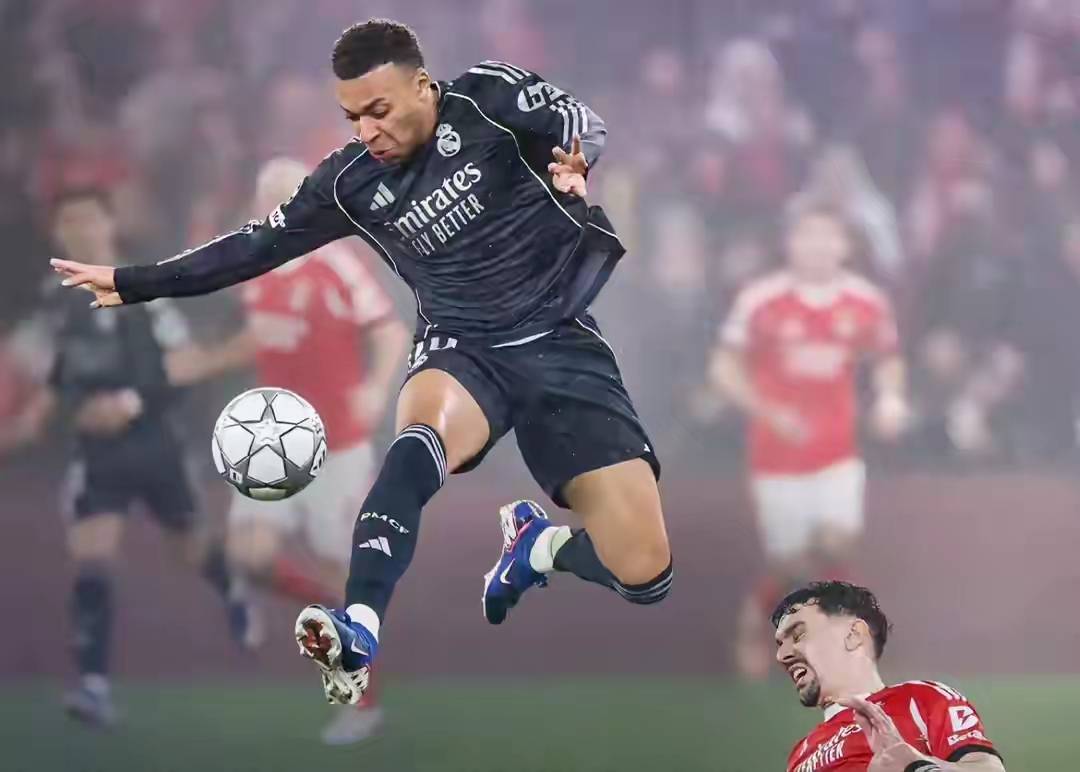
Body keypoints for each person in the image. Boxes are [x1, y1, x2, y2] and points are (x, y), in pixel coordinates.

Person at [52, 18, 671, 706]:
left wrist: (576, 163)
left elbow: (577, 121)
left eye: (378, 110)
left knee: (646, 571)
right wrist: (134, 281)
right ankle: (359, 631)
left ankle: (537, 548)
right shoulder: (348, 182)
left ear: (422, 86)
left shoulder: (487, 97)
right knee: (420, 440)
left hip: (560, 338)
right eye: (352, 117)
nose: (367, 130)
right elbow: (253, 247)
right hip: (463, 347)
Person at [9, 187, 253, 727]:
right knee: (91, 560)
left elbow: (183, 364)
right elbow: (56, 374)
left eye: (88, 219)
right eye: (69, 221)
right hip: (96, 452)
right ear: (57, 234)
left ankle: (232, 589)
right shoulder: (55, 302)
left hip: (155, 442)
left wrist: (132, 401)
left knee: (190, 547)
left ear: (109, 224)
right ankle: (94, 684)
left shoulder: (146, 289)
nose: (80, 230)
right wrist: (48, 414)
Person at [224, 157, 410, 744]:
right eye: (269, 194)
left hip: (339, 445)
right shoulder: (250, 263)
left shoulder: (337, 262)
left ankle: (362, 702)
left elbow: (390, 330)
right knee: (250, 556)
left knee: (340, 572)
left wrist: (375, 388)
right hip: (271, 438)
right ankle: (328, 609)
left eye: (289, 194)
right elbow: (260, 339)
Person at [709, 204, 908, 678]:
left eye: (828, 236)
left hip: (837, 451)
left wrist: (891, 398)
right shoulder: (761, 301)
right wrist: (767, 410)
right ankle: (754, 623)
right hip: (776, 456)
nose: (818, 245)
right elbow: (723, 367)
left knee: (838, 543)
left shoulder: (865, 301)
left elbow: (888, 358)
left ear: (844, 246)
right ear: (790, 243)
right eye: (807, 235)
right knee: (790, 561)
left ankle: (847, 644)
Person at [774, 581, 1005, 771]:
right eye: (780, 644)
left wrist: (916, 765)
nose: (781, 656)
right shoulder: (801, 753)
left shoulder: (923, 699)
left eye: (798, 634)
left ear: (854, 634)